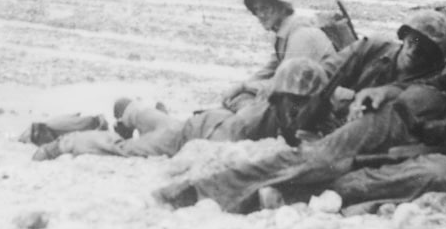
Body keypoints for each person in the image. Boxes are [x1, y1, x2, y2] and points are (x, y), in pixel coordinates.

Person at [173, 16, 446, 212]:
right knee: (322, 157)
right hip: (406, 115)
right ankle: (204, 190)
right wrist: (385, 90)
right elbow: (442, 80)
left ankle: (320, 194)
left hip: (444, 154)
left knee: (441, 178)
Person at [32, 58, 330, 161]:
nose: (297, 110)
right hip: (193, 135)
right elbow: (211, 154)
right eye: (292, 101)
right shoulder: (250, 123)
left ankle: (132, 110)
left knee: (166, 125)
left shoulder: (310, 114)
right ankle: (64, 142)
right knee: (127, 148)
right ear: (278, 99)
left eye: (304, 102)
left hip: (204, 121)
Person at [311, 9, 446, 126]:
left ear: (435, 58)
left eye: (425, 48)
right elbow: (325, 72)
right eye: (413, 41)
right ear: (404, 37)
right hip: (330, 118)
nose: (414, 51)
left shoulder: (433, 84)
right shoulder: (373, 47)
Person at [218, 0, 334, 109]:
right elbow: (268, 70)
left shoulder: (301, 35)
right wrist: (241, 88)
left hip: (319, 103)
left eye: (265, 8)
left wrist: (244, 87)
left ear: (282, 7)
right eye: (256, 10)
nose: (260, 15)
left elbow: (288, 85)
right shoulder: (284, 34)